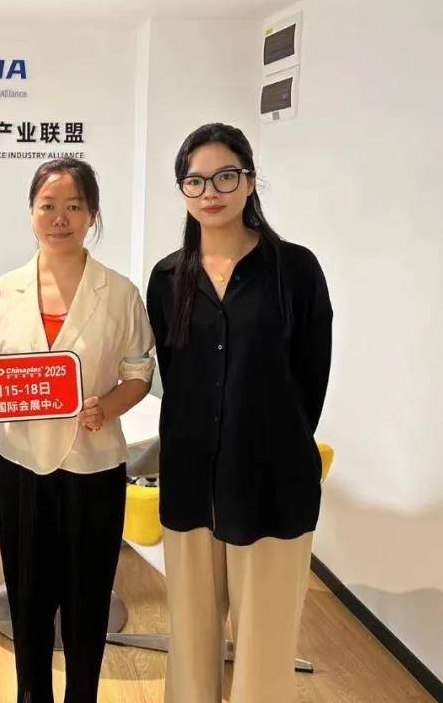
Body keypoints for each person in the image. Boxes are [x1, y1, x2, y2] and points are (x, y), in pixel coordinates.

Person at [146, 123, 332, 703]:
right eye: (195, 181)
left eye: (225, 176)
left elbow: (311, 379)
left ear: (250, 181)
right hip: (191, 482)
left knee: (264, 646)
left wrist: (272, 440)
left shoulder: (294, 270)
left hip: (272, 485)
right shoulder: (168, 278)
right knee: (191, 640)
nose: (211, 192)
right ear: (183, 191)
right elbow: (177, 381)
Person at [0, 158, 154, 703]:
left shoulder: (119, 292)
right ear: (31, 212)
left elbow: (138, 372)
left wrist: (109, 407)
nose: (60, 218)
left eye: (74, 206)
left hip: (93, 467)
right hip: (20, 463)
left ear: (92, 215)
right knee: (28, 600)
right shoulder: (5, 291)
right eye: (48, 206)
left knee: (87, 599)